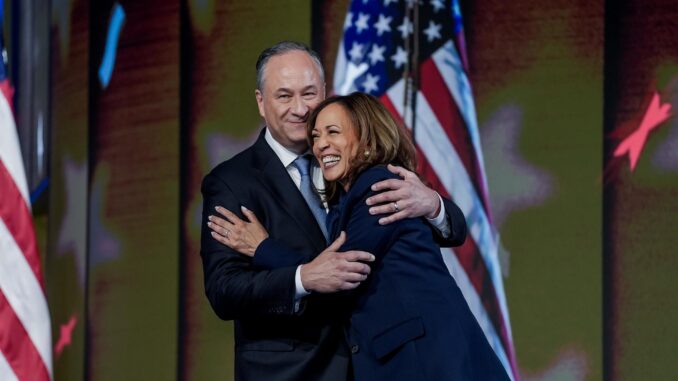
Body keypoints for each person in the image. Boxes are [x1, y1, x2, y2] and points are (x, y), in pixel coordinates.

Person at [200, 41, 466, 381]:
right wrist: (301, 278)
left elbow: (446, 230)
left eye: (309, 93)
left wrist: (434, 205)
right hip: (292, 373)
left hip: (375, 366)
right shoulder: (231, 182)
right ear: (260, 101)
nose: (299, 108)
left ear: (325, 92)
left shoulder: (352, 164)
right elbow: (225, 290)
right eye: (284, 96)